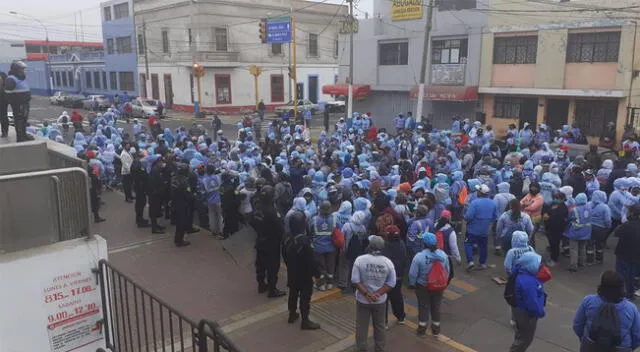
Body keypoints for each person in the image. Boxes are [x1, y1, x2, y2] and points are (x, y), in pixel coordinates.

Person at [573, 271, 640, 351]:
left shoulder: (589, 301)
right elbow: (637, 336)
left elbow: (577, 325)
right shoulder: (631, 308)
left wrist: (585, 339)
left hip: (590, 346)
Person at [352, 235, 396, 352]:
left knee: (362, 326)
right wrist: (377, 294)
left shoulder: (360, 260)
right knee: (380, 326)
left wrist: (367, 294)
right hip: (379, 301)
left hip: (362, 300)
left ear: (369, 246)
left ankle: (361, 348)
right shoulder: (388, 263)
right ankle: (379, 348)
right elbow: (392, 283)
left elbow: (355, 280)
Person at [283, 210, 321, 330]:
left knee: (293, 294)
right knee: (305, 298)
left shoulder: (286, 237)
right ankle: (305, 321)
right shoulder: (304, 240)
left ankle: (292, 314)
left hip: (292, 272)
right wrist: (317, 274)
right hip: (304, 275)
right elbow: (312, 260)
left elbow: (283, 255)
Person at [408, 232, 451, 336]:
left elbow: (412, 274)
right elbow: (447, 271)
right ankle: (436, 330)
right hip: (438, 286)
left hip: (423, 286)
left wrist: (413, 284)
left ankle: (422, 330)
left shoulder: (419, 256)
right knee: (436, 306)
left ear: (424, 243)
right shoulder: (443, 255)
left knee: (423, 307)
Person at [250, 185, 287, 298]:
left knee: (260, 265)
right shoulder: (273, 211)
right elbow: (280, 229)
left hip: (260, 240)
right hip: (271, 243)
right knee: (272, 267)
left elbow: (251, 222)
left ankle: (261, 285)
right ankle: (272, 290)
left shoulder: (257, 207)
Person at [509, 251, 546, 352]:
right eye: (537, 263)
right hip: (526, 314)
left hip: (521, 310)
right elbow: (532, 303)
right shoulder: (528, 282)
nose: (540, 265)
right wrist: (540, 312)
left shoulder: (523, 273)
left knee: (521, 336)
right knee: (525, 339)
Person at [464, 184, 497, 271]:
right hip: (485, 230)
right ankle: (482, 263)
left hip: (472, 229)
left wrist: (465, 217)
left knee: (468, 243)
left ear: (480, 193)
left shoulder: (475, 203)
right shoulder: (493, 203)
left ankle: (470, 261)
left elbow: (468, 216)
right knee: (483, 246)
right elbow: (494, 217)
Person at [381, 225, 407, 325]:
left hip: (385, 278)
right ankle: (401, 317)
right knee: (397, 297)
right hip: (398, 276)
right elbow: (404, 259)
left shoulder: (383, 245)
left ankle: (384, 322)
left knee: (384, 299)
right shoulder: (401, 244)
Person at [613, 204, 640, 300]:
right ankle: (630, 293)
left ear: (632, 213)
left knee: (622, 275)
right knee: (632, 275)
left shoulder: (627, 225)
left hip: (624, 254)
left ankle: (621, 294)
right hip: (636, 255)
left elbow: (616, 233)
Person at [310, 201, 338, 291]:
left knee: (320, 267)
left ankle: (321, 285)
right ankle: (330, 283)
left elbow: (309, 230)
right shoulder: (334, 219)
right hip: (331, 247)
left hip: (318, 248)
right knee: (330, 266)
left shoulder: (314, 219)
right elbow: (338, 231)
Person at [4, 61, 31, 142]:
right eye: (21, 69)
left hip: (25, 103)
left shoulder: (21, 78)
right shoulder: (11, 79)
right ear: (16, 70)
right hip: (18, 104)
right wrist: (16, 101)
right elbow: (8, 93)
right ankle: (20, 137)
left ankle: (24, 134)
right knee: (19, 120)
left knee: (24, 120)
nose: (23, 71)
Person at [566, 193, 592, 272]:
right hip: (586, 231)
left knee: (574, 249)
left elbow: (569, 218)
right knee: (582, 247)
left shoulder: (574, 209)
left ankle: (573, 266)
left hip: (575, 231)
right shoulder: (589, 208)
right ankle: (582, 262)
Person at [543, 192, 568, 267]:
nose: (556, 199)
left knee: (555, 244)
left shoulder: (563, 207)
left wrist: (549, 217)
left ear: (563, 199)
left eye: (558, 198)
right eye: (555, 198)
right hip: (550, 228)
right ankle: (552, 256)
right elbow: (546, 211)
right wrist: (545, 215)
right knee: (551, 243)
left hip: (557, 229)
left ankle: (554, 259)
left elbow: (560, 219)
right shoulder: (552, 205)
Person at [170, 164, 192, 247]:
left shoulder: (173, 178)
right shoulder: (185, 181)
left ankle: (177, 239)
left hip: (175, 203)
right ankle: (180, 241)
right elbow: (188, 194)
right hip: (182, 204)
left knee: (178, 222)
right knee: (181, 223)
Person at [587, 190, 611, 265]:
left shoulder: (588, 204)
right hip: (601, 228)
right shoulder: (605, 207)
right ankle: (599, 259)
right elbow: (607, 220)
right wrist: (608, 227)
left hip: (589, 227)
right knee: (599, 244)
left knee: (589, 244)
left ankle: (589, 261)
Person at [204, 164, 222, 238]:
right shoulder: (218, 177)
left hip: (210, 200)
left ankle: (214, 231)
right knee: (220, 216)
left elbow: (204, 192)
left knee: (212, 216)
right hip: (218, 199)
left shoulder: (204, 180)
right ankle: (221, 232)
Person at [0, 71, 8, 138]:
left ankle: (4, 132)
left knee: (3, 116)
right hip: (4, 99)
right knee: (3, 116)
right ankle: (5, 132)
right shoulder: (3, 74)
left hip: (2, 99)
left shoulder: (2, 75)